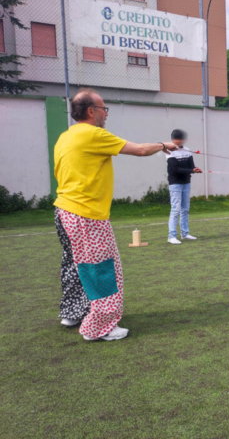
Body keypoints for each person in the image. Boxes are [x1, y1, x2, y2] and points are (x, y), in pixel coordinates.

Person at [54, 88, 177, 341]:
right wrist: (165, 145)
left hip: (64, 212)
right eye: (103, 109)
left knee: (76, 267)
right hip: (86, 215)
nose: (105, 114)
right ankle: (99, 327)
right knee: (102, 270)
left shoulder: (65, 136)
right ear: (91, 111)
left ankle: (73, 312)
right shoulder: (93, 134)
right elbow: (141, 150)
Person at [165, 129, 202, 245]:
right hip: (175, 183)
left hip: (186, 183)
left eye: (180, 141)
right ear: (172, 140)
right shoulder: (169, 152)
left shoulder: (187, 151)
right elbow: (175, 169)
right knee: (175, 210)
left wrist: (195, 170)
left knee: (185, 209)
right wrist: (192, 170)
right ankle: (171, 236)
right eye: (176, 141)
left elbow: (191, 166)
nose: (178, 143)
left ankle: (185, 233)